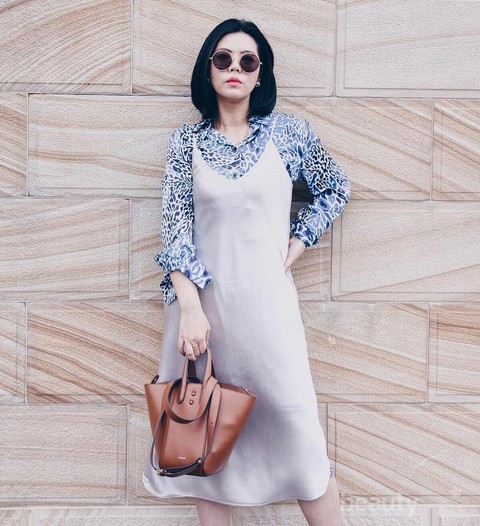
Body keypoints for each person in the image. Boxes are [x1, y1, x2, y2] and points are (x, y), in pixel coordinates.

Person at [142, 18, 351, 526]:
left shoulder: (289, 133)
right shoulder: (185, 143)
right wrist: (190, 309)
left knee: (300, 432)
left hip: (268, 310)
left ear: (261, 74)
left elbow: (335, 188)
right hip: (201, 317)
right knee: (206, 442)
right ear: (208, 69)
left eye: (247, 60)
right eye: (223, 58)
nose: (234, 68)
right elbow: (176, 232)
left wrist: (297, 243)